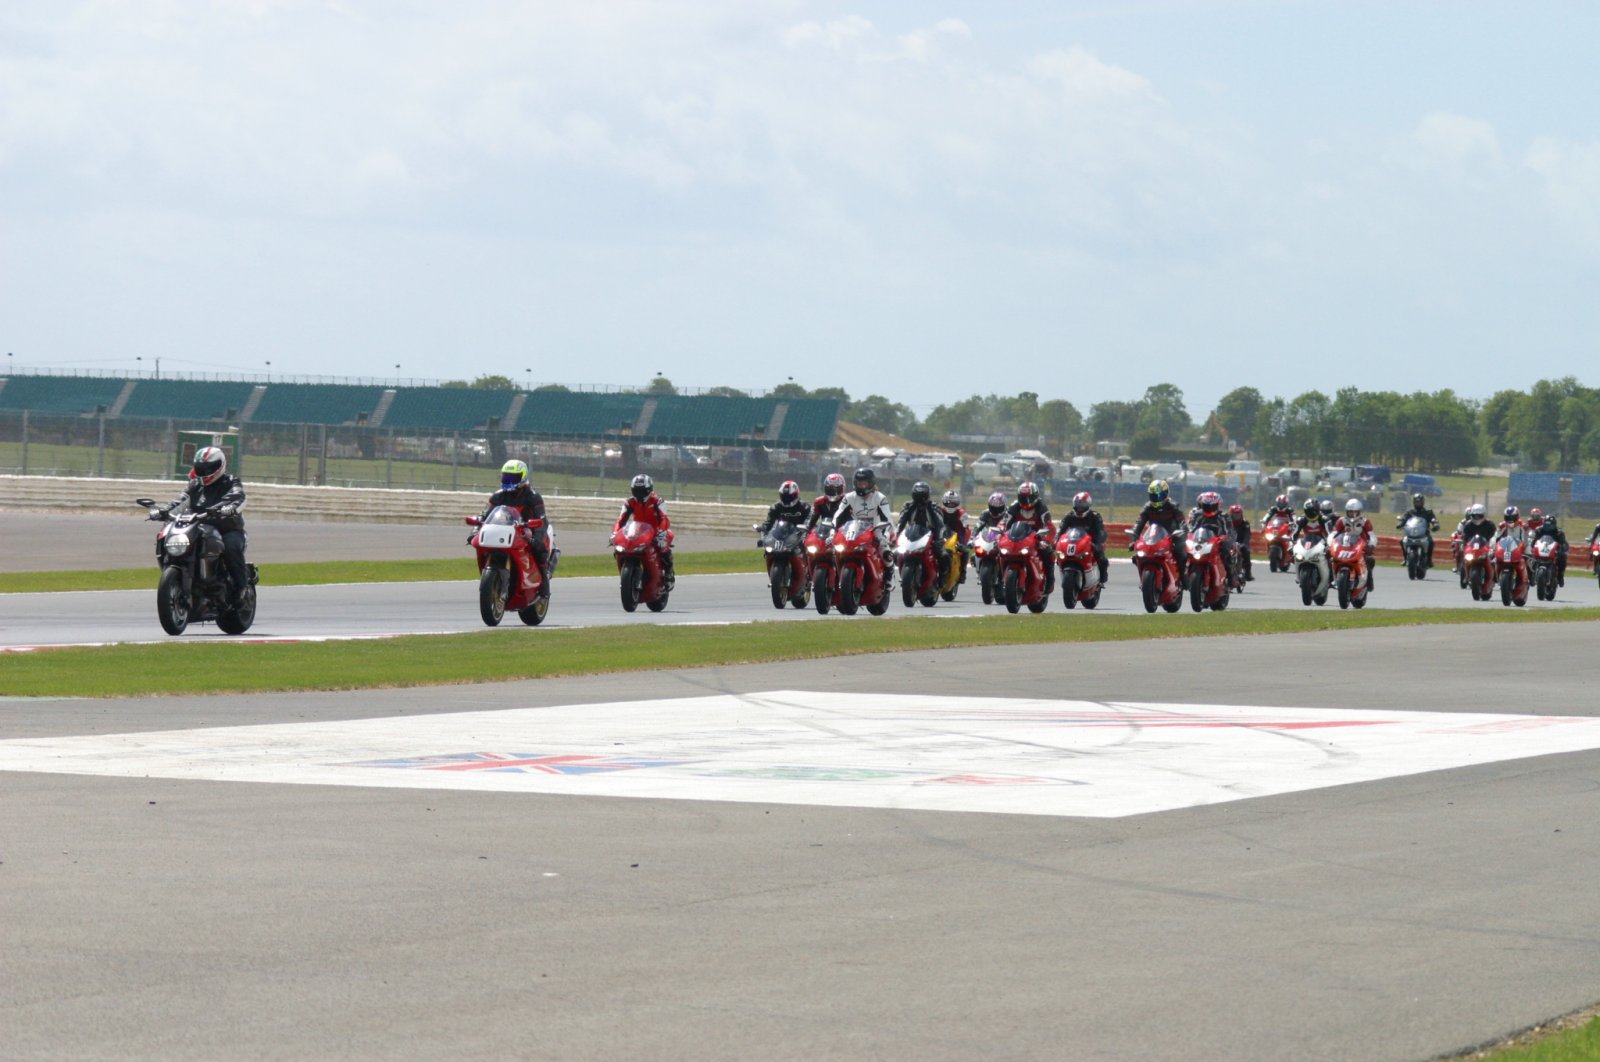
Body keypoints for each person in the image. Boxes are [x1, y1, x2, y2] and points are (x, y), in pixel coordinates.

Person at [167, 446, 249, 607]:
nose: (205, 472)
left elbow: (238, 496)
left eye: (209, 468)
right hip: (200, 528)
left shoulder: (231, 481)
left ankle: (241, 588)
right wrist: (163, 510)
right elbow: (180, 500)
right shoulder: (195, 485)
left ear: (220, 466)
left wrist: (228, 507)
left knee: (231, 547)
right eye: (201, 468)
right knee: (170, 536)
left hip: (227, 529)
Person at [481, 459, 555, 584]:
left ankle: (544, 585)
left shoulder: (533, 497)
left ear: (523, 477)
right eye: (506, 477)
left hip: (530, 530)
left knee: (539, 551)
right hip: (507, 529)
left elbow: (541, 520)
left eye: (513, 478)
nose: (509, 481)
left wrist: (536, 539)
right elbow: (484, 516)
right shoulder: (498, 496)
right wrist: (475, 531)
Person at [614, 473, 674, 588]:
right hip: (638, 532)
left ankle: (668, 574)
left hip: (656, 532)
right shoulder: (630, 502)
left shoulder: (657, 501)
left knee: (663, 547)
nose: (639, 494)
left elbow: (664, 518)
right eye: (636, 491)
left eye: (642, 491)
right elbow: (621, 520)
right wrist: (615, 533)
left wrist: (661, 533)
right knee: (620, 549)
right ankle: (624, 576)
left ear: (649, 489)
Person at [835, 466, 895, 579]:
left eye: (864, 483)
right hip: (854, 530)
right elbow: (837, 515)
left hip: (876, 530)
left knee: (886, 553)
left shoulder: (880, 498)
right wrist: (832, 531)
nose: (862, 486)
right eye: (859, 483)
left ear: (871, 483)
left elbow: (888, 519)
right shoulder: (848, 497)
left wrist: (885, 536)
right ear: (855, 483)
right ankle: (836, 578)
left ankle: (889, 578)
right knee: (837, 550)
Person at [1006, 481, 1056, 593]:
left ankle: (1050, 580)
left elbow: (1050, 526)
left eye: (1029, 498)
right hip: (1017, 537)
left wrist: (1046, 540)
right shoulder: (1014, 507)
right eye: (1023, 498)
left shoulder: (1041, 507)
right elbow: (1005, 524)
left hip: (1036, 538)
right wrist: (1000, 536)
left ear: (1035, 497)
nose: (1026, 501)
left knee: (1048, 553)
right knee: (999, 552)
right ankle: (997, 581)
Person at [1131, 479, 1188, 578]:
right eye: (1153, 496)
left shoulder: (1173, 506)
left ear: (1165, 494)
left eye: (1158, 496)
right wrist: (1134, 540)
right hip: (1154, 537)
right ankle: (1143, 578)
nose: (1156, 498)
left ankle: (1183, 579)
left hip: (1172, 536)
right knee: (1138, 556)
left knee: (1180, 552)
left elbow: (1182, 522)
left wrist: (1181, 535)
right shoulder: (1147, 507)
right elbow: (1139, 523)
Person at [895, 481, 950, 581]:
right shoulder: (908, 506)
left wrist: (939, 539)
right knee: (895, 553)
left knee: (944, 555)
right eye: (918, 495)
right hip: (912, 535)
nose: (920, 499)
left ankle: (942, 578)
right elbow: (901, 522)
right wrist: (896, 536)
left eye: (923, 495)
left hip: (932, 537)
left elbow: (940, 525)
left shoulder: (934, 507)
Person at [1188, 491, 1241, 591]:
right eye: (1206, 506)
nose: (1209, 508)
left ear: (1218, 505)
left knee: (1227, 551)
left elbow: (1229, 531)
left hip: (1218, 541)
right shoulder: (1197, 514)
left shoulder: (1223, 516)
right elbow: (1191, 528)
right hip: (1201, 541)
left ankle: (1230, 577)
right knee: (1184, 551)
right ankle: (1182, 577)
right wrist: (1187, 536)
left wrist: (1225, 538)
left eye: (1212, 506)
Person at [1057, 491, 1109, 585]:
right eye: (1078, 504)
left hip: (1091, 542)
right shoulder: (1069, 516)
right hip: (1074, 542)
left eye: (1082, 505)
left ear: (1088, 504)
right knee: (1059, 557)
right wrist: (1056, 542)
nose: (1080, 507)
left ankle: (1102, 579)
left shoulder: (1095, 516)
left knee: (1102, 559)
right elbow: (1061, 530)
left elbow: (1100, 531)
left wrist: (1098, 544)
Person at [1332, 498, 1377, 586]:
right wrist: (1330, 543)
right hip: (1344, 545)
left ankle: (1369, 578)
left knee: (1370, 559)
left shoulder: (1365, 522)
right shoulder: (1341, 521)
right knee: (1331, 559)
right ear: (1346, 511)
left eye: (1355, 512)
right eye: (1350, 512)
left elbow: (1372, 536)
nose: (1353, 514)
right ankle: (1332, 578)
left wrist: (1371, 545)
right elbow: (1333, 534)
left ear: (1359, 512)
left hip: (1360, 547)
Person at [1394, 492, 1440, 568]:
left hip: (1424, 534)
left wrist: (1435, 525)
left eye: (1419, 502)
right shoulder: (1410, 512)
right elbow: (1404, 519)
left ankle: (1429, 560)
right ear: (1414, 502)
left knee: (1431, 542)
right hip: (1411, 534)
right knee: (1402, 541)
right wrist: (1400, 524)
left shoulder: (1428, 512)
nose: (1418, 503)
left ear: (1423, 502)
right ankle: (1405, 558)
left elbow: (1433, 520)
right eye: (1416, 502)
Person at [939, 489, 972, 582]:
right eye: (948, 502)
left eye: (953, 502)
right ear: (944, 501)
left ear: (957, 503)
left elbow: (966, 529)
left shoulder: (962, 513)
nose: (950, 504)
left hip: (957, 535)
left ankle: (963, 572)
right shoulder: (939, 511)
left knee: (965, 551)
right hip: (942, 534)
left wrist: (964, 542)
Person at [1537, 512, 1569, 587]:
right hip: (1542, 550)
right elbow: (1534, 541)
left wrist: (1563, 549)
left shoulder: (1559, 532)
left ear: (1554, 524)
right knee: (1530, 559)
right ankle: (1531, 575)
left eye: (1550, 525)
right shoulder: (1539, 530)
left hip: (1554, 551)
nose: (1548, 527)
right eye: (1546, 524)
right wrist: (1532, 546)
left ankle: (1560, 576)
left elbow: (1563, 543)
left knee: (1562, 558)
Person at [1228, 503, 1254, 582]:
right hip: (1229, 543)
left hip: (1241, 543)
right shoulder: (1227, 523)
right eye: (1235, 514)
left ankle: (1248, 573)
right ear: (1231, 515)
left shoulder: (1245, 523)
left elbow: (1247, 535)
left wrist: (1244, 544)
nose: (1237, 516)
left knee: (1246, 552)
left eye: (1238, 514)